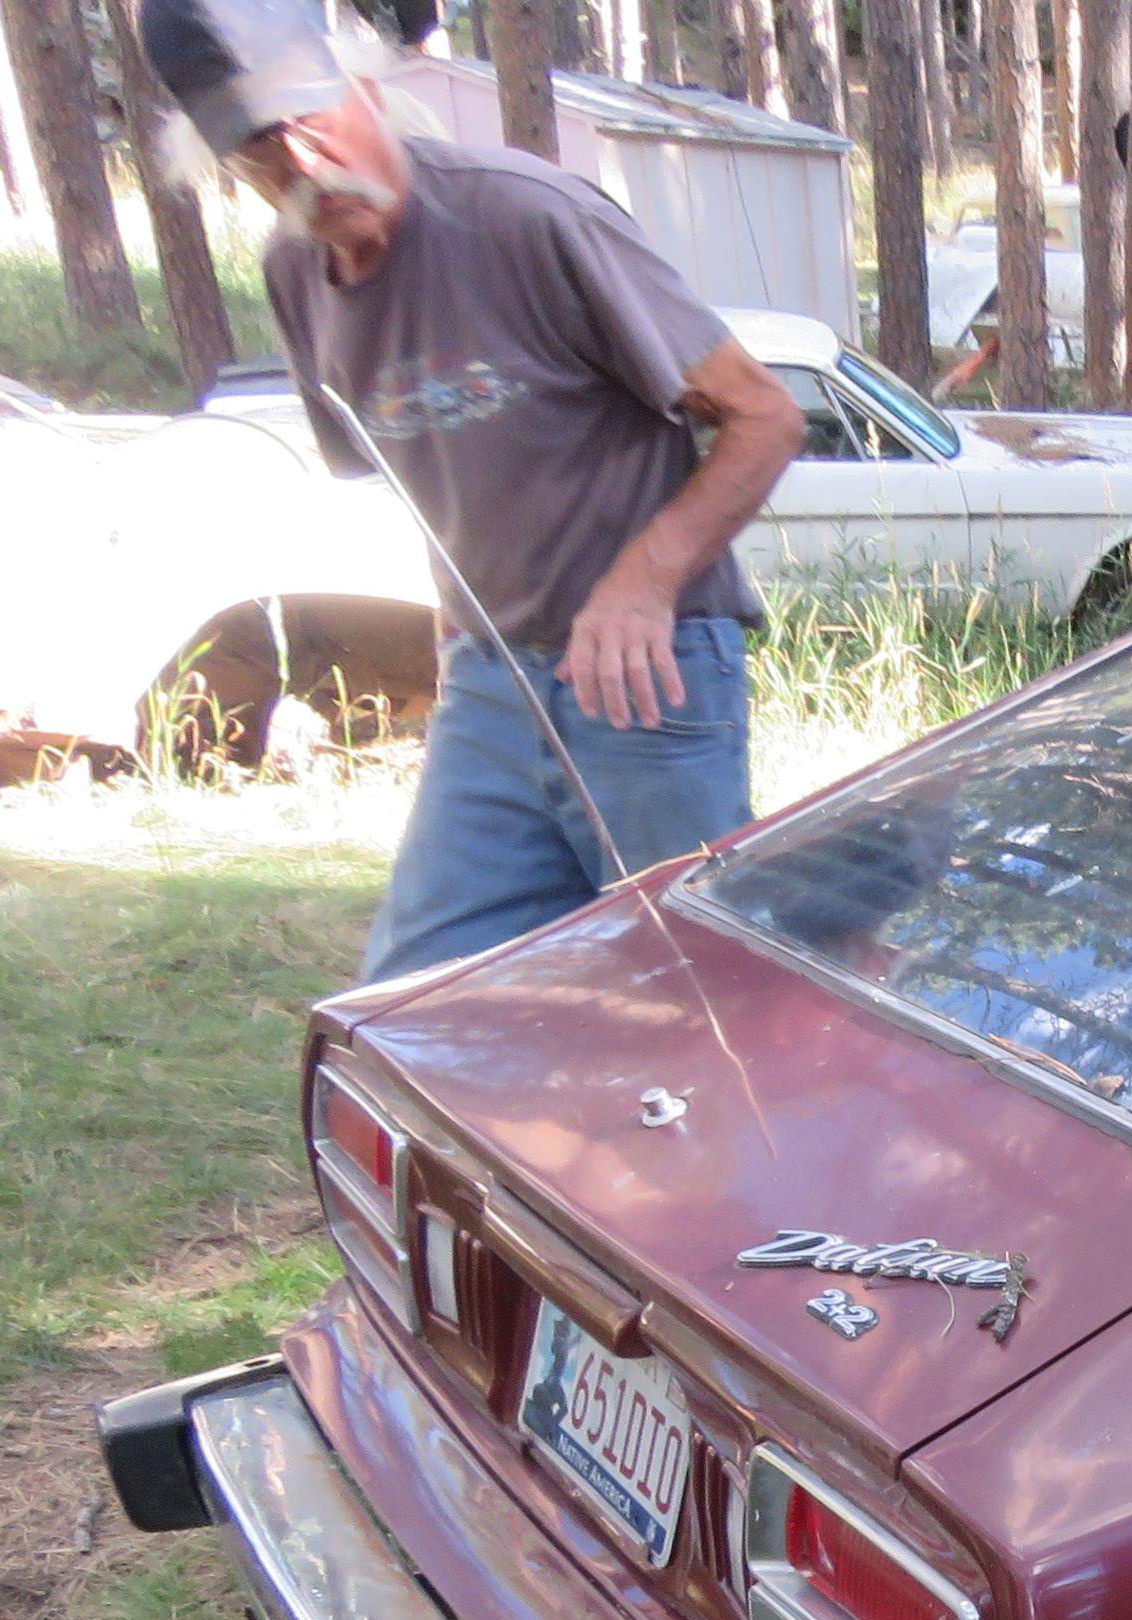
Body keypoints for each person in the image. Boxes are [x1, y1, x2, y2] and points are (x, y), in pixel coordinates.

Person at [134, 0, 808, 977]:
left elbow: (765, 417)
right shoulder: (296, 274)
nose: (308, 167)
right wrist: (457, 632)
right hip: (491, 688)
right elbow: (434, 471)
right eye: (264, 151)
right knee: (419, 999)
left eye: (314, 119)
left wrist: (644, 578)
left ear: (365, 84)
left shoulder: (526, 218)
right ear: (223, 167)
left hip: (645, 673)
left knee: (695, 989)